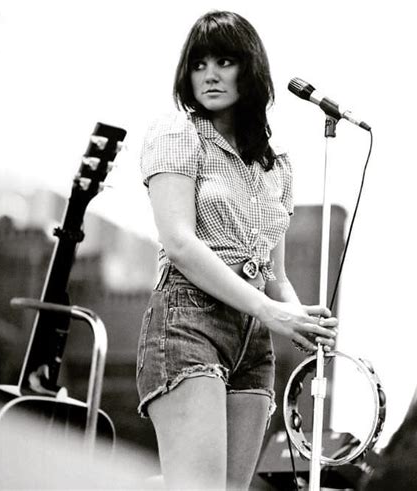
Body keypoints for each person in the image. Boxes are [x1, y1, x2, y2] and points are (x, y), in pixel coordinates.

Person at [136, 10, 338, 490]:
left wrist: (302, 320)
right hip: (188, 320)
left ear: (250, 70)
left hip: (252, 338)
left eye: (224, 60)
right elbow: (180, 243)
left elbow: (276, 274)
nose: (209, 73)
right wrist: (272, 311)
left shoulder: (276, 167)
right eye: (199, 63)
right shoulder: (177, 133)